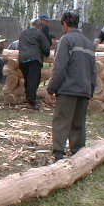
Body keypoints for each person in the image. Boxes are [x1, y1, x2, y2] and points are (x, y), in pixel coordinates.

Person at [47, 12, 96, 162]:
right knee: (78, 123)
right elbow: (93, 70)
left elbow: (60, 67)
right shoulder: (88, 43)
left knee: (62, 120)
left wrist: (51, 88)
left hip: (68, 89)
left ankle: (58, 154)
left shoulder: (66, 39)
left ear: (65, 24)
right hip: (84, 89)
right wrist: (91, 90)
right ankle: (78, 153)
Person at [19, 18, 51, 110]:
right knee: (34, 80)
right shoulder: (40, 34)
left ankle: (28, 98)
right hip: (34, 59)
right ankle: (31, 102)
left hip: (22, 59)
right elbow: (46, 49)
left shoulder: (23, 33)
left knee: (27, 80)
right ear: (39, 26)